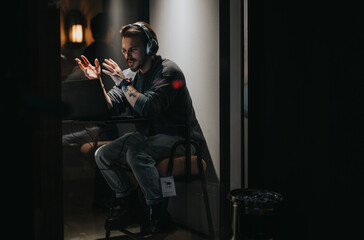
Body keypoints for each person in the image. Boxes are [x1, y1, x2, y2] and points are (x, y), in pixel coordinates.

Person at [75, 22, 203, 236]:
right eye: (124, 50)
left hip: (180, 139)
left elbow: (148, 108)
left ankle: (158, 214)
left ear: (150, 48)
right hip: (148, 138)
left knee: (137, 153)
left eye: (132, 49)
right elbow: (111, 106)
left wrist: (122, 82)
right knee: (103, 154)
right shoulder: (129, 75)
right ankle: (131, 205)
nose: (127, 56)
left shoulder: (168, 71)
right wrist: (97, 83)